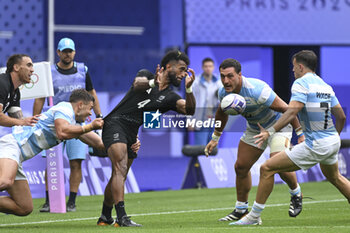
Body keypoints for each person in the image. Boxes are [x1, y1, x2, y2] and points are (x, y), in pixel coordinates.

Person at [232, 50, 349, 225]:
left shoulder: (301, 84)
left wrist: (270, 131)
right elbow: (341, 117)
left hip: (316, 144)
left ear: (301, 66)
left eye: (293, 67)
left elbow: (291, 111)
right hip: (332, 140)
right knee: (336, 178)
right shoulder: (325, 86)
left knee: (267, 168)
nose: (293, 70)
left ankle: (254, 216)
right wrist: (333, 138)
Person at [96, 50, 196, 227]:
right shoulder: (146, 77)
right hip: (114, 123)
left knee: (119, 174)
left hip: (132, 133)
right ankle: (122, 218)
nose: (183, 74)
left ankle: (105, 216)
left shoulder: (171, 97)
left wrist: (189, 89)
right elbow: (137, 84)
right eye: (181, 69)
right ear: (167, 67)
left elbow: (189, 110)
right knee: (120, 167)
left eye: (186, 71)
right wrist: (152, 82)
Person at [205, 58, 305, 222]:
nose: (225, 81)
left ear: (239, 75)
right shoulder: (224, 92)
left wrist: (300, 134)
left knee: (276, 164)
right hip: (255, 128)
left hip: (279, 126)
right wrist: (215, 138)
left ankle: (296, 193)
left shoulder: (257, 90)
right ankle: (241, 209)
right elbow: (221, 113)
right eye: (222, 76)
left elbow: (287, 110)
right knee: (241, 166)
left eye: (230, 76)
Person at [0, 89, 104, 216]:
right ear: (80, 105)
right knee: (5, 181)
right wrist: (90, 126)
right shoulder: (65, 108)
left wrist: (126, 145)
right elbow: (62, 131)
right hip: (11, 145)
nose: (90, 114)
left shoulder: (74, 123)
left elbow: (99, 143)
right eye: (90, 109)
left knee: (24, 207)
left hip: (17, 156)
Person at [33, 38, 103, 212]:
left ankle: (71, 201)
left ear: (74, 52)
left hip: (78, 122)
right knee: (52, 164)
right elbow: (40, 97)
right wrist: (36, 119)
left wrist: (99, 114)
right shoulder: (49, 72)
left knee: (76, 163)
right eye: (64, 51)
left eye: (70, 51)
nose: (67, 54)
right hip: (54, 124)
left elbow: (91, 93)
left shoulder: (82, 70)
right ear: (58, 53)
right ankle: (50, 201)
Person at [0, 54, 39, 127]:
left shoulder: (16, 92)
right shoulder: (2, 84)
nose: (32, 70)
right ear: (16, 67)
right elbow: (21, 122)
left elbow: (19, 120)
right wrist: (23, 122)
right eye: (28, 65)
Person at [190, 57, 222, 145]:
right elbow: (190, 101)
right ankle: (197, 159)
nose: (208, 68)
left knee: (213, 148)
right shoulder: (195, 82)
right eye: (206, 66)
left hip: (215, 120)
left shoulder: (219, 82)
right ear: (202, 67)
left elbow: (222, 101)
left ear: (214, 67)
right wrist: (189, 120)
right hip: (201, 119)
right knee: (201, 148)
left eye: (210, 66)